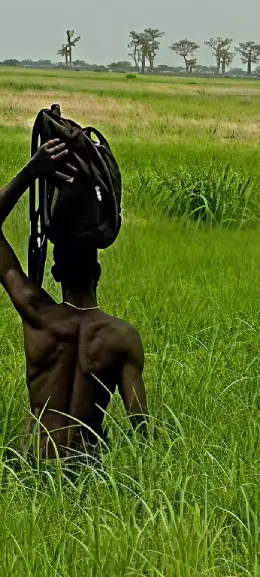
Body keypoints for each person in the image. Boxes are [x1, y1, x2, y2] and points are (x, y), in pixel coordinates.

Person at [0, 140, 147, 460]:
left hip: (34, 469)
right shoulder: (121, 337)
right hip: (86, 474)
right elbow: (140, 429)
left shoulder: (36, 312)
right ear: (98, 273)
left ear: (56, 272)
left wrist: (31, 172)